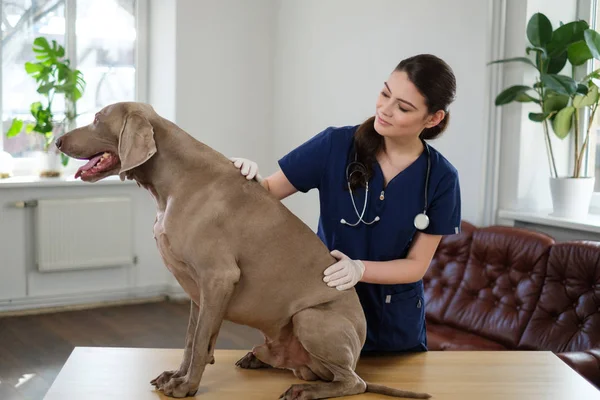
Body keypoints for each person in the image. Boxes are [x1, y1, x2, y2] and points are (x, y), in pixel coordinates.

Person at [230, 54, 461, 354]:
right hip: (326, 310)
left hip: (394, 326)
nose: (385, 110)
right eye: (385, 93)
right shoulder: (334, 146)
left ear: (433, 118)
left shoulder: (442, 178)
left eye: (403, 107)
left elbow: (417, 265)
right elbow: (269, 191)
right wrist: (247, 177)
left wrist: (361, 269)